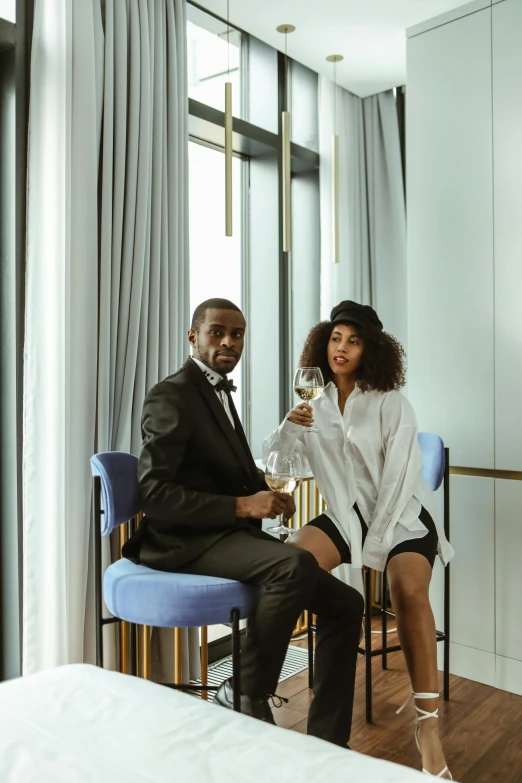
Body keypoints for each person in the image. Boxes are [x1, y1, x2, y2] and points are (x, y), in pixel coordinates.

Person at [123, 297, 364, 747]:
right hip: (184, 541)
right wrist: (242, 507)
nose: (229, 342)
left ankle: (328, 747)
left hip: (224, 534)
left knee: (348, 604)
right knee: (293, 564)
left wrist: (267, 493)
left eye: (237, 334)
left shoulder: (218, 392)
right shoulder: (171, 394)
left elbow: (228, 474)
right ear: (193, 337)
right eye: (217, 332)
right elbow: (154, 496)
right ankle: (245, 692)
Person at [263, 300, 454, 779]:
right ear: (323, 342)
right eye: (335, 338)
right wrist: (290, 427)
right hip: (345, 519)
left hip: (402, 520)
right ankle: (259, 691)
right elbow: (280, 465)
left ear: (370, 348)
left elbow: (397, 482)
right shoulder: (314, 403)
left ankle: (427, 729)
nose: (341, 348)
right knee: (285, 568)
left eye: (353, 340)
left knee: (406, 590)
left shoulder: (391, 402)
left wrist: (375, 552)